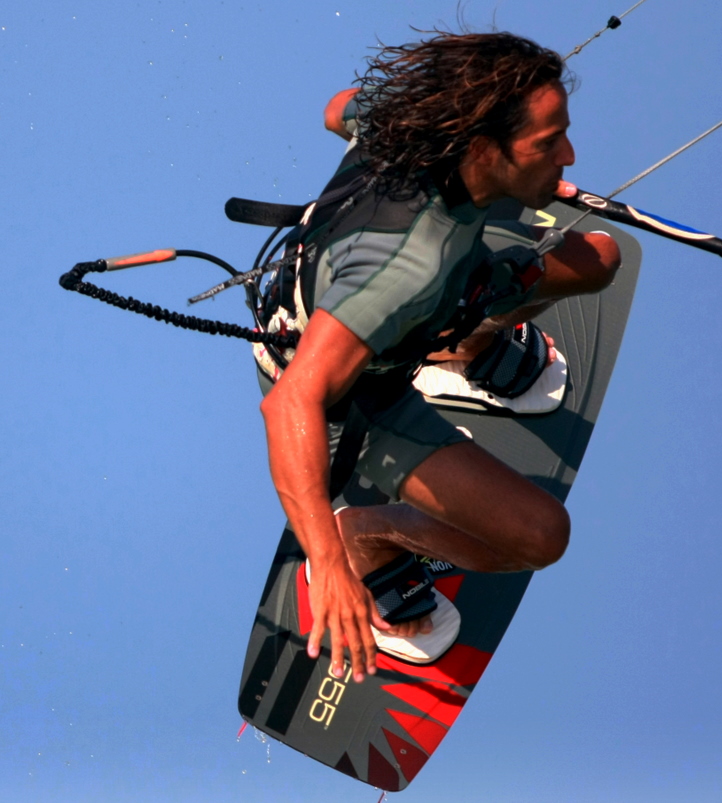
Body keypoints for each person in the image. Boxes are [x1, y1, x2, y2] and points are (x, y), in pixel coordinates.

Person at [257, 31, 620, 684]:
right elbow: (291, 401)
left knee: (598, 260)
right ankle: (365, 537)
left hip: (371, 303)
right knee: (539, 537)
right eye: (548, 143)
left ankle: (460, 347)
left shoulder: (418, 125)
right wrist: (329, 568)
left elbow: (338, 106)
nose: (568, 154)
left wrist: (521, 182)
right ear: (483, 149)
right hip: (356, 391)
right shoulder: (408, 267)